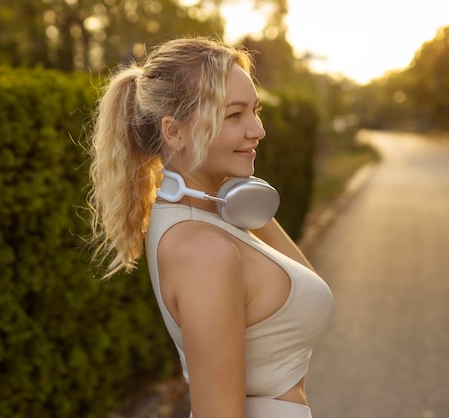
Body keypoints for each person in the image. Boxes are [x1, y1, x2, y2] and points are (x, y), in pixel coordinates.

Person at [87, 37, 333, 418]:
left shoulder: (216, 211)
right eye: (234, 115)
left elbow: (303, 280)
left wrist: (246, 199)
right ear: (174, 132)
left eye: (255, 110)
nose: (258, 129)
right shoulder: (202, 250)